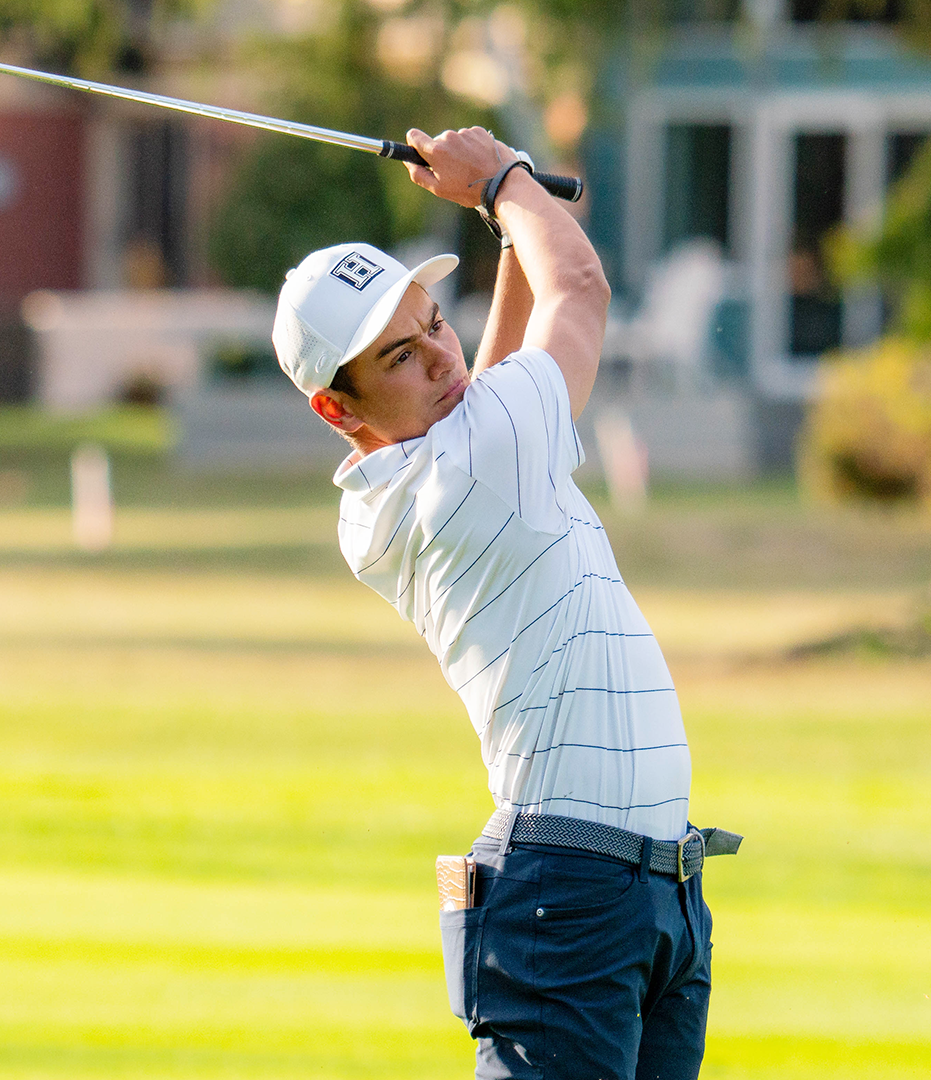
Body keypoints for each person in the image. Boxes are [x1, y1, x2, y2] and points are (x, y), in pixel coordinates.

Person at [270, 126, 738, 1080]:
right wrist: (507, 184)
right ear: (337, 407)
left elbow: (483, 387)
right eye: (399, 358)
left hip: (647, 887)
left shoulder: (419, 472)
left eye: (436, 322)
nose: (442, 358)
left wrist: (502, 217)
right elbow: (582, 293)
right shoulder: (481, 462)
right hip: (571, 896)